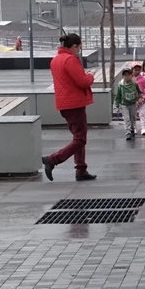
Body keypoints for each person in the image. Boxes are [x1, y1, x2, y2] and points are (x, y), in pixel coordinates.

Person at [42, 33, 96, 182]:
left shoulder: (56, 60)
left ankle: (81, 169)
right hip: (75, 104)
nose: (79, 50)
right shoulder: (70, 59)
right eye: (79, 47)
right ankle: (53, 160)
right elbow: (83, 81)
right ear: (74, 46)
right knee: (80, 139)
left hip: (64, 104)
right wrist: (91, 76)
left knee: (78, 137)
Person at [115, 66, 143, 141]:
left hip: (133, 103)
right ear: (123, 76)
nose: (126, 77)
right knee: (126, 118)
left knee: (132, 117)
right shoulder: (121, 85)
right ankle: (127, 132)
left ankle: (132, 128)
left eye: (128, 75)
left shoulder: (135, 84)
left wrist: (140, 98)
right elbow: (118, 95)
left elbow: (140, 92)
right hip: (124, 104)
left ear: (131, 75)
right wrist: (117, 104)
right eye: (125, 75)